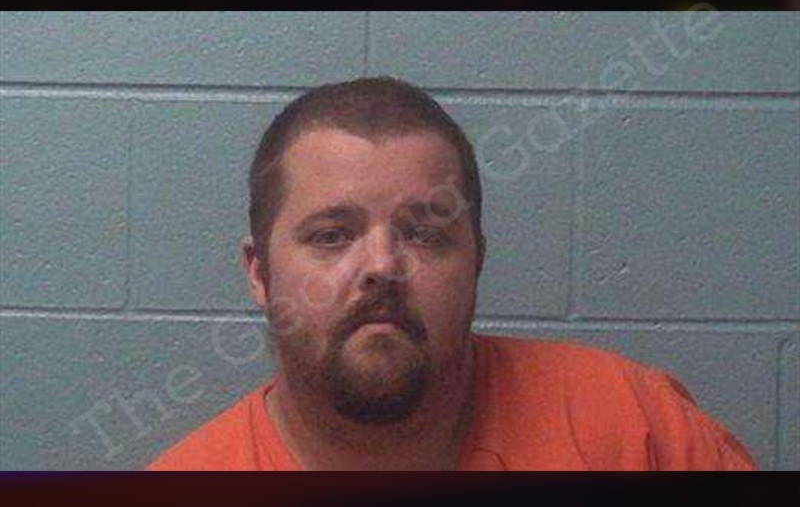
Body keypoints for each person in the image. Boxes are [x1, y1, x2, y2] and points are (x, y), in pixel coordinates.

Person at [148, 77, 756, 471]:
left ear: (477, 260)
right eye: (332, 236)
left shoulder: (635, 429)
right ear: (260, 274)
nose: (382, 266)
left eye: (424, 233)